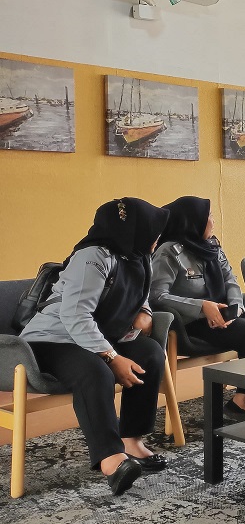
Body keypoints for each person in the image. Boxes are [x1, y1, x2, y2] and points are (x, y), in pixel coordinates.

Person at [20, 198, 170, 495]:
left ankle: (131, 440)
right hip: (50, 340)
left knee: (150, 353)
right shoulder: (92, 257)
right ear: (133, 229)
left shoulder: (138, 256)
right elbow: (76, 316)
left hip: (96, 336)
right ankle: (111, 459)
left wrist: (145, 313)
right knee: (96, 370)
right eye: (153, 231)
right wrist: (112, 357)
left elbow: (141, 296)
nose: (157, 238)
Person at [150, 196, 245, 421]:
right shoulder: (169, 252)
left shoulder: (212, 246)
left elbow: (230, 280)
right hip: (189, 323)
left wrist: (236, 309)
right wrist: (202, 306)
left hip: (223, 315)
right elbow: (156, 296)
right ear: (193, 221)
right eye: (209, 217)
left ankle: (240, 399)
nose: (213, 221)